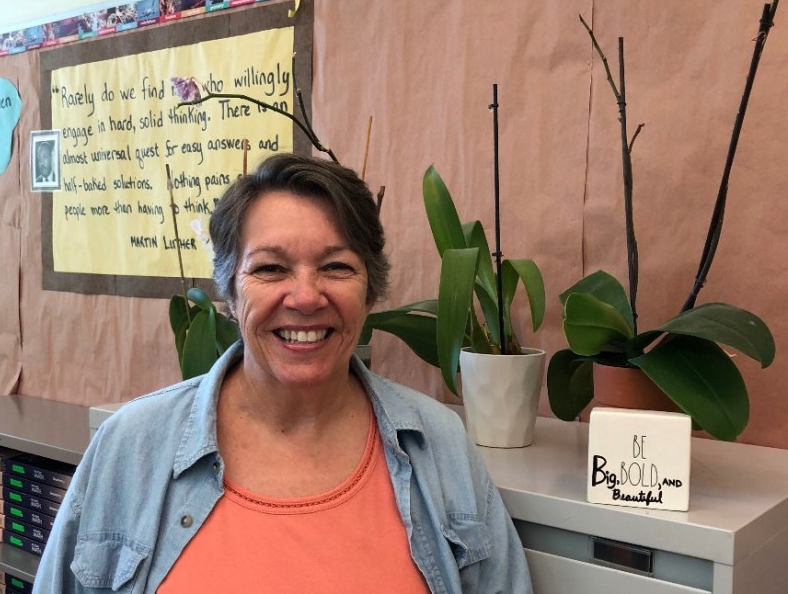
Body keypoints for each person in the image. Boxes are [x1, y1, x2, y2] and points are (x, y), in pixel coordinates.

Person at [33, 153, 532, 593]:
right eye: (270, 269)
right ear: (230, 292)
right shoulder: (131, 447)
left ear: (370, 292)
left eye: (336, 267)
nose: (306, 297)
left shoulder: (438, 446)